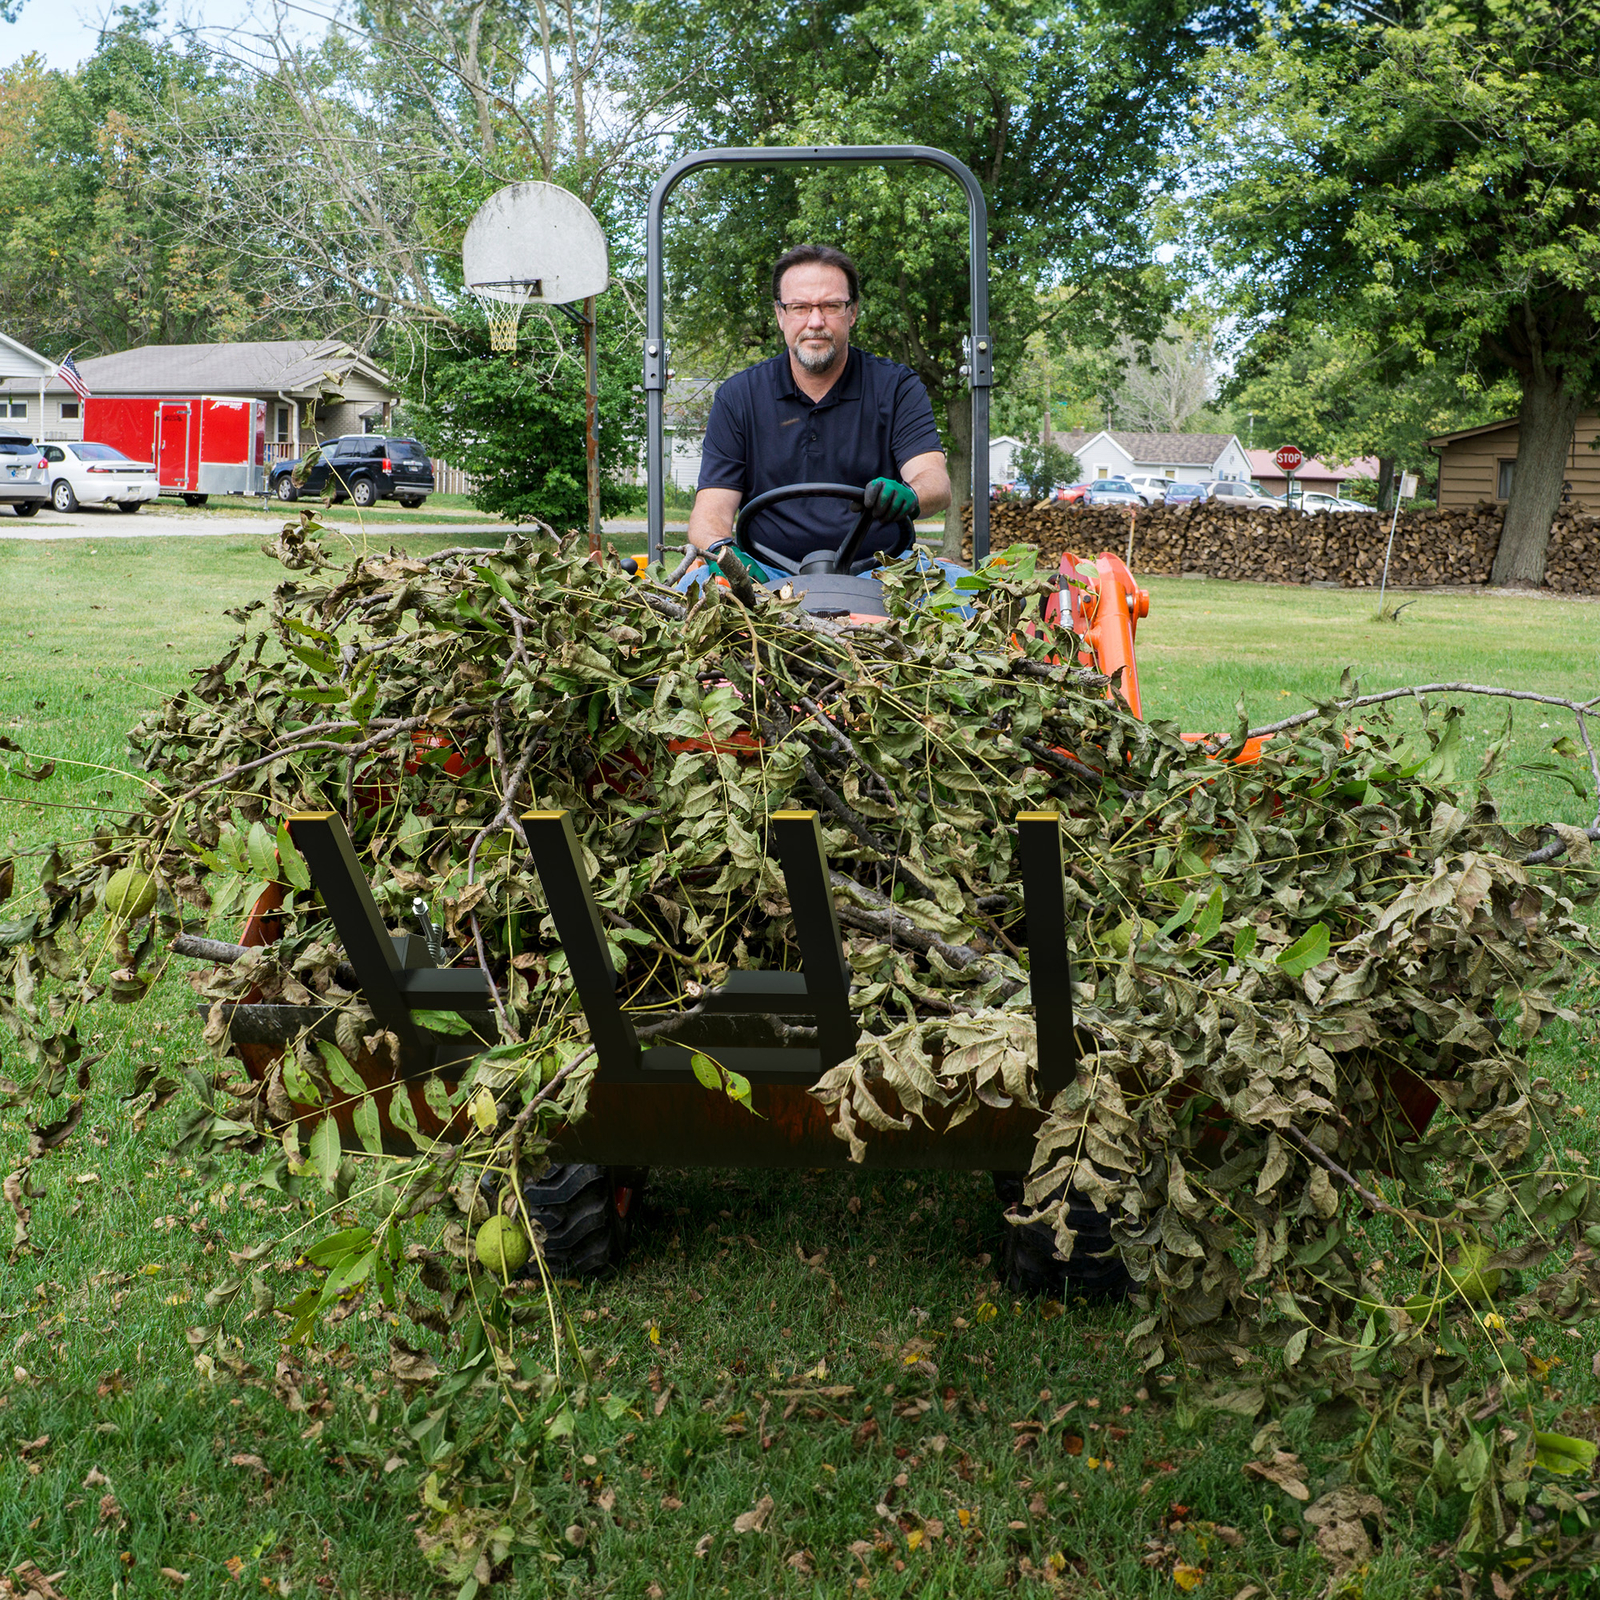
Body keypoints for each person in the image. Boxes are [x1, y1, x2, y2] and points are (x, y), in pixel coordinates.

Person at [686, 244, 952, 576]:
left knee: (962, 589)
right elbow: (709, 513)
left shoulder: (897, 387)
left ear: (852, 312)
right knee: (693, 584)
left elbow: (936, 483)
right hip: (768, 573)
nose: (816, 321)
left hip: (884, 571)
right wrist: (727, 559)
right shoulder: (738, 397)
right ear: (780, 314)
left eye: (831, 306)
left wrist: (912, 495)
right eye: (799, 307)